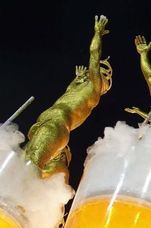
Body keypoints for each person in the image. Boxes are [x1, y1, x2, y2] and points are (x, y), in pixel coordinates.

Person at [24, 15, 112, 175]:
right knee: (20, 164)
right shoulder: (78, 89)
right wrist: (77, 78)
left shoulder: (93, 91)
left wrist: (97, 34)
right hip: (43, 124)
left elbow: (94, 55)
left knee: (29, 167)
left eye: (104, 75)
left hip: (55, 127)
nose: (98, 73)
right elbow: (68, 90)